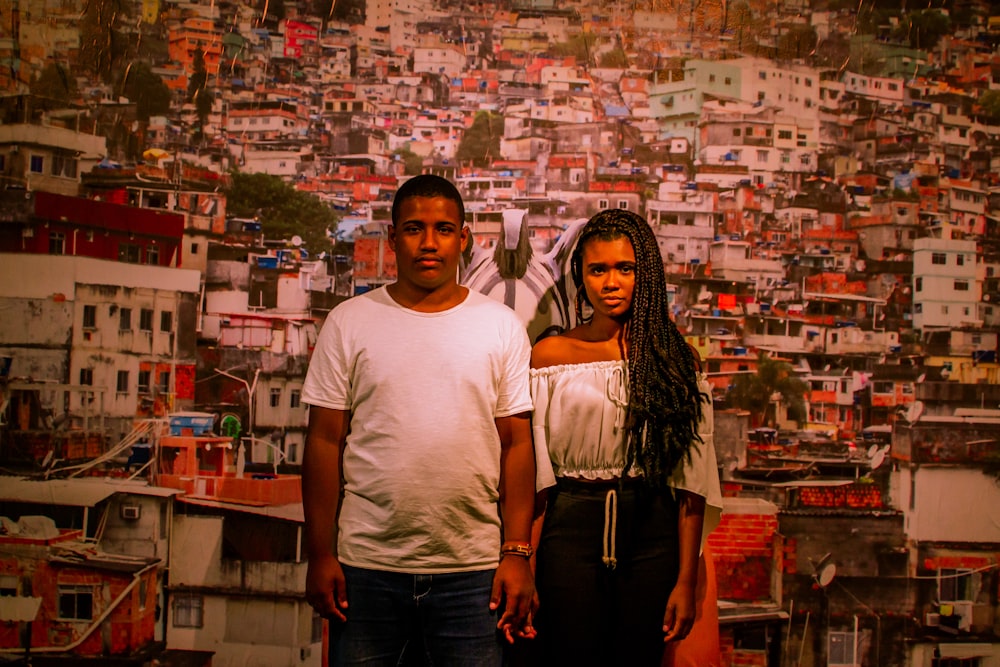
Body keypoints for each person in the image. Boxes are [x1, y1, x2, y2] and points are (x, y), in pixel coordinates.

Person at [301, 174, 540, 666]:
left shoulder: (501, 327)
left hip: (473, 573)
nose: (429, 244)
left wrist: (516, 552)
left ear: (464, 238)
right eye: (413, 229)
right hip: (366, 569)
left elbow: (517, 444)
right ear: (391, 238)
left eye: (444, 230)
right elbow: (324, 441)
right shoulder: (349, 321)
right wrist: (320, 553)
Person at [527, 208, 723, 666]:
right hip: (569, 533)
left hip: (652, 537)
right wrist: (525, 562)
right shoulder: (550, 355)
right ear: (581, 277)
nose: (610, 282)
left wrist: (686, 579)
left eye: (624, 268)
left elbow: (690, 485)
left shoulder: (676, 362)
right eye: (597, 269)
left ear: (646, 274)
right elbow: (536, 476)